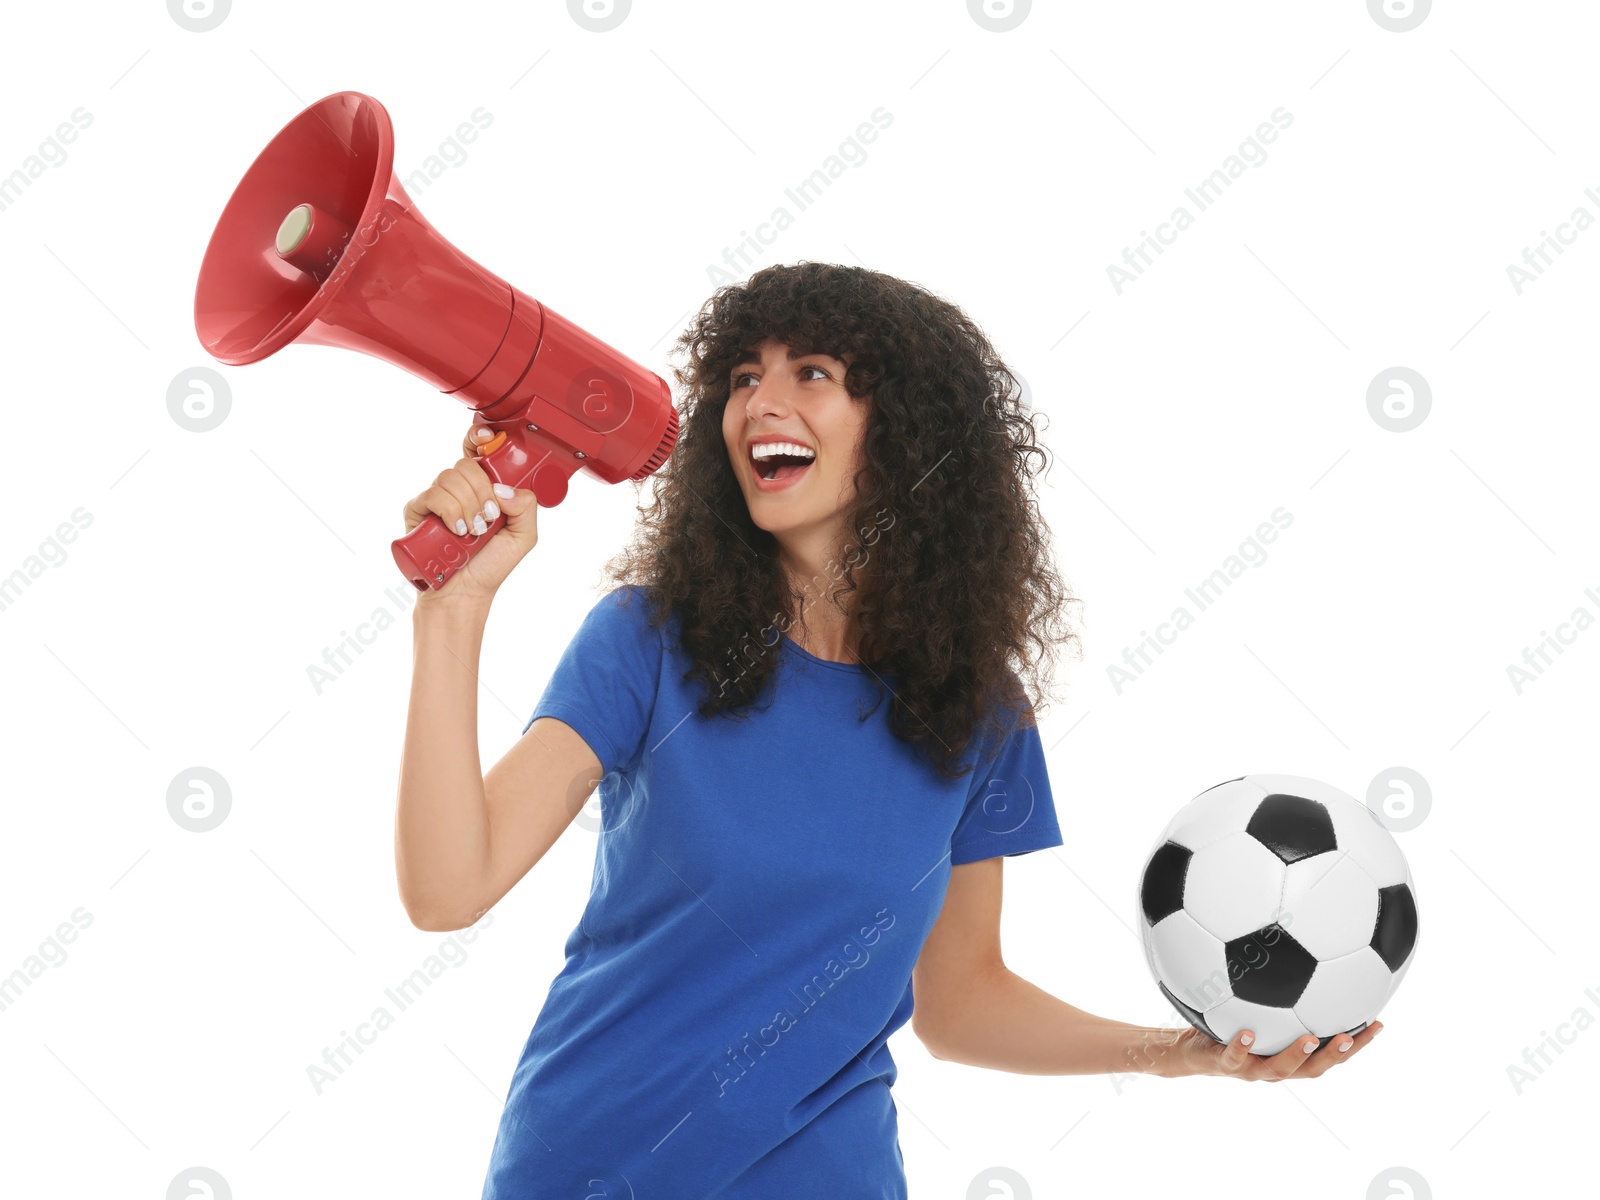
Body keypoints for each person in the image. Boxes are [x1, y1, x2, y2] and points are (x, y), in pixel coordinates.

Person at [394, 262, 1381, 1199]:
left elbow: (960, 1003)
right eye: (744, 376)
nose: (759, 403)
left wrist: (1175, 1053)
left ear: (905, 434)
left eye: (811, 373)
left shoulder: (975, 707)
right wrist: (452, 612)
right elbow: (447, 890)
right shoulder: (646, 642)